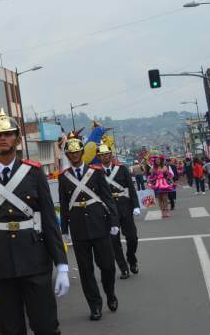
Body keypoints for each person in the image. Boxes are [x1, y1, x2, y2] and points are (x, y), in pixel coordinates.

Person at [0, 111, 69, 334]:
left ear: (17, 139)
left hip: (35, 259)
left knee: (47, 326)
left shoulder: (34, 173)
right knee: (11, 329)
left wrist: (61, 265)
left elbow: (50, 221)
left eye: (8, 134)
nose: (3, 138)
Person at [58, 132, 119, 321]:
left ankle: (110, 294)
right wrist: (65, 230)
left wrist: (114, 223)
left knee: (108, 266)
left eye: (77, 153)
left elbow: (108, 199)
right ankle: (95, 305)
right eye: (71, 154)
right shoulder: (63, 177)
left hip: (99, 224)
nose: (74, 156)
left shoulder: (96, 172)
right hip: (78, 228)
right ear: (68, 156)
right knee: (85, 271)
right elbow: (64, 205)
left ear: (83, 153)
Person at [97, 142, 140, 279]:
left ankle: (131, 258)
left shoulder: (121, 169)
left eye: (107, 154)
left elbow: (131, 188)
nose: (105, 157)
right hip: (108, 211)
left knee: (132, 237)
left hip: (124, 207)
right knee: (114, 242)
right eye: (102, 155)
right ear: (99, 157)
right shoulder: (96, 173)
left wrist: (136, 205)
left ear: (111, 155)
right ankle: (123, 268)